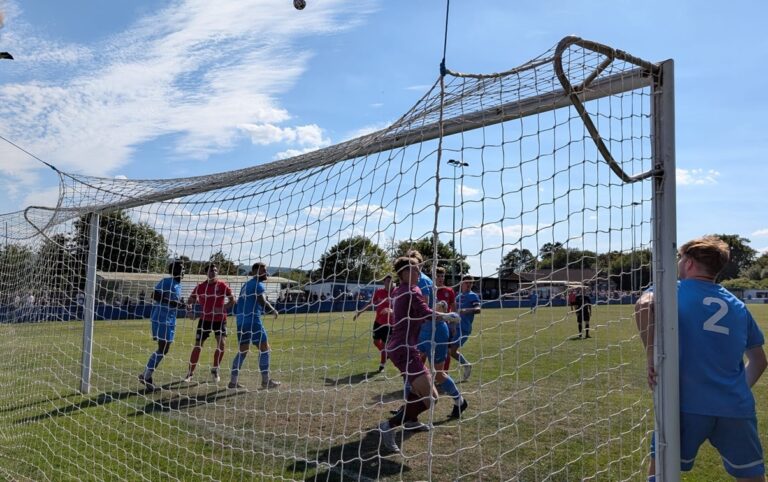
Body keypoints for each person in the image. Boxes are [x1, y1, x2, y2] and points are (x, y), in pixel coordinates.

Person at [635, 236, 767, 482]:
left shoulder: (671, 289)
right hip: (735, 407)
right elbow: (759, 360)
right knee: (752, 477)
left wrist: (651, 354)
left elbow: (643, 306)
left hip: (683, 405)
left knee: (661, 475)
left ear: (689, 262)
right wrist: (735, 388)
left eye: (680, 258)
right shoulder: (738, 305)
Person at [377, 256, 462, 454]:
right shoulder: (412, 290)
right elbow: (425, 313)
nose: (419, 273)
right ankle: (388, 427)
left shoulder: (400, 290)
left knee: (423, 392)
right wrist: (447, 316)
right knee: (432, 398)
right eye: (415, 270)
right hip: (404, 350)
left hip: (402, 348)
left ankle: (412, 421)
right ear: (404, 273)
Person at [228, 262, 280, 389]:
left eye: (266, 270)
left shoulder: (246, 285)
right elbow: (262, 300)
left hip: (241, 322)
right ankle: (265, 381)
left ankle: (233, 382)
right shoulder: (258, 285)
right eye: (263, 270)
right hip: (253, 321)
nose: (266, 273)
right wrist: (273, 310)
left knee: (243, 351)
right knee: (265, 348)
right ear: (255, 272)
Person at [183, 263, 235, 383]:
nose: (213, 272)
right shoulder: (200, 287)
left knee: (221, 344)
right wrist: (189, 311)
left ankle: (215, 369)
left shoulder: (222, 285)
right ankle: (190, 373)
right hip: (205, 320)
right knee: (198, 346)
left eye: (215, 270)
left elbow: (233, 300)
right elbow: (190, 300)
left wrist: (223, 308)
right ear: (206, 273)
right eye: (211, 271)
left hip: (220, 320)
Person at [138, 260, 185, 391]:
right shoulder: (166, 281)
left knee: (164, 349)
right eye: (180, 268)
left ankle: (146, 375)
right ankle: (146, 376)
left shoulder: (178, 286)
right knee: (163, 348)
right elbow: (154, 295)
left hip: (170, 320)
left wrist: (182, 304)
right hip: (161, 318)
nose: (183, 271)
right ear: (173, 271)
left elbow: (174, 302)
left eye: (184, 268)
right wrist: (173, 303)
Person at [353, 274, 394, 372]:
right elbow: (370, 303)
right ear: (384, 282)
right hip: (378, 322)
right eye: (387, 281)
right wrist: (360, 312)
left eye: (391, 281)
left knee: (384, 345)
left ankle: (382, 365)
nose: (389, 283)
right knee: (376, 342)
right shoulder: (379, 292)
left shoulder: (396, 293)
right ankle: (387, 354)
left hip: (389, 324)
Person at [450, 275, 481, 382]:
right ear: (462, 283)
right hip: (454, 327)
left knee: (452, 350)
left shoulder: (473, 296)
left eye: (471, 283)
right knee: (448, 350)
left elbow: (478, 309)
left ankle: (467, 365)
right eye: (467, 282)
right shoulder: (458, 296)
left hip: (464, 328)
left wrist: (466, 310)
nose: (469, 284)